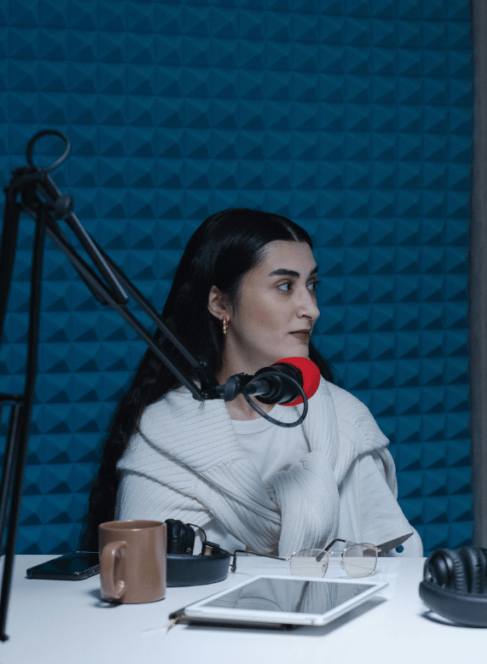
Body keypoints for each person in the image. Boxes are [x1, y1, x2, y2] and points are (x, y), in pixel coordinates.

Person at [82, 209, 422, 559]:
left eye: (312, 285)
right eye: (285, 286)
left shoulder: (345, 421)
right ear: (220, 303)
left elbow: (392, 568)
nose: (311, 308)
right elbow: (140, 574)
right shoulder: (164, 434)